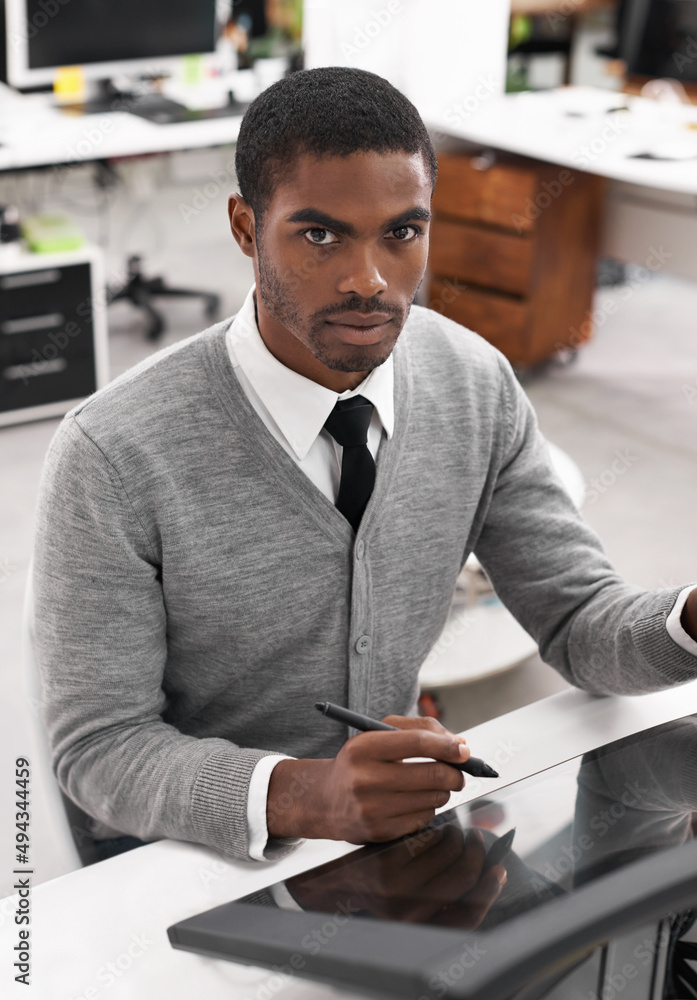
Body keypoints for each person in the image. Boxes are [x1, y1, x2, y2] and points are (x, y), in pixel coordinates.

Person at [32, 67, 697, 865]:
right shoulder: (112, 452)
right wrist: (307, 794)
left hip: (380, 834)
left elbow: (578, 622)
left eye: (401, 232)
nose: (369, 281)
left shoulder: (472, 383)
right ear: (246, 229)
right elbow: (99, 748)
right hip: (181, 861)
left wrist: (688, 619)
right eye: (320, 235)